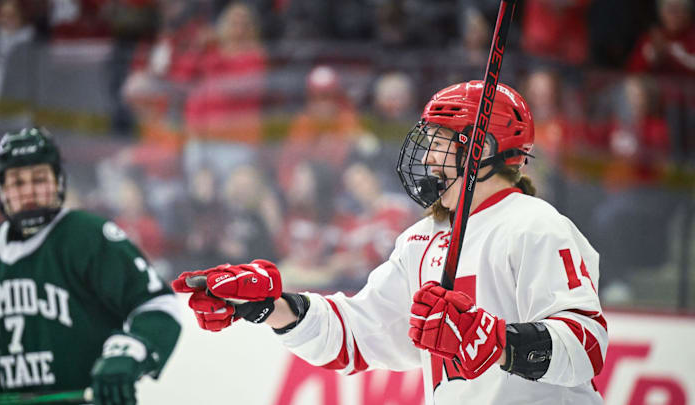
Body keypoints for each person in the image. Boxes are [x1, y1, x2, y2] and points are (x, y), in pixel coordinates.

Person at [172, 81, 608, 405]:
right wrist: (273, 307)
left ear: (481, 148)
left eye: (439, 143)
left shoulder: (534, 225)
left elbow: (587, 346)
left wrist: (498, 342)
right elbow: (362, 334)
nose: (427, 157)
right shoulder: (422, 240)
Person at [0, 128, 181, 405]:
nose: (29, 191)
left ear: (58, 182)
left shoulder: (88, 236)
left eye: (39, 179)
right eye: (17, 182)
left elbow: (157, 304)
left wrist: (128, 353)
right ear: (1, 189)